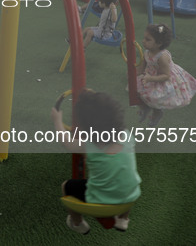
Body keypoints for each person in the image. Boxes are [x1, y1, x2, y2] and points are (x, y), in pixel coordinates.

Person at [51, 90, 141, 234]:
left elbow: (65, 141)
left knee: (66, 186)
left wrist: (57, 121)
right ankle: (123, 220)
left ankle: (77, 223)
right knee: (125, 180)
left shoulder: (88, 146)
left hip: (99, 202)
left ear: (86, 127)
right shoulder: (127, 135)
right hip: (131, 196)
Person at [137, 23, 196, 126]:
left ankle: (157, 113)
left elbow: (166, 75)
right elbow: (142, 65)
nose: (143, 41)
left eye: (148, 39)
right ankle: (145, 108)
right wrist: (136, 73)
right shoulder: (147, 51)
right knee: (138, 90)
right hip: (150, 76)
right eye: (144, 38)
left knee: (155, 98)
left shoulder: (162, 57)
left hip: (162, 78)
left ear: (159, 43)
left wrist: (150, 78)